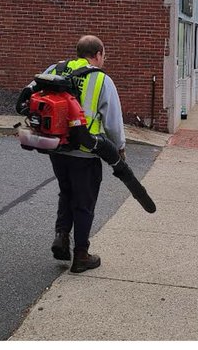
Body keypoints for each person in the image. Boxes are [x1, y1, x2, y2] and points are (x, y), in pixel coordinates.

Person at [21, 35, 126, 273]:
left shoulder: (55, 69)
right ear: (98, 54)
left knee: (66, 192)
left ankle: (61, 237)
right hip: (86, 152)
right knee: (84, 202)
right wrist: (119, 147)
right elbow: (113, 122)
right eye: (104, 55)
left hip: (56, 147)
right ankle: (81, 255)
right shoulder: (102, 79)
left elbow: (30, 94)